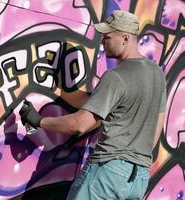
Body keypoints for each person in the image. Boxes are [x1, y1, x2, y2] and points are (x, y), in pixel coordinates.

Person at [19, 10, 166, 200]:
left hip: (107, 173)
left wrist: (39, 120)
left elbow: (79, 125)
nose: (102, 41)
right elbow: (157, 127)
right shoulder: (156, 74)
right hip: (138, 178)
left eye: (107, 36)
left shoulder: (116, 77)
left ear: (125, 38)